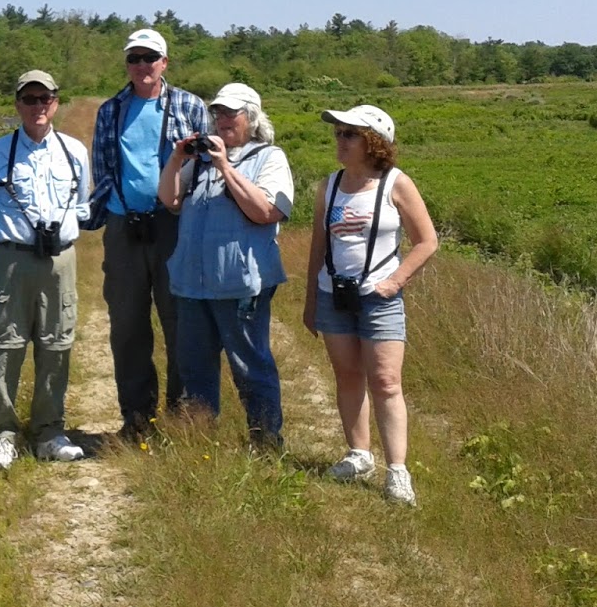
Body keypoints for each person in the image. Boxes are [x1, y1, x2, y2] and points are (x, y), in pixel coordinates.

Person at [302, 104, 438, 505]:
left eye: (349, 134)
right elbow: (318, 245)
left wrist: (395, 281)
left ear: (373, 142)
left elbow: (427, 242)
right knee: (347, 376)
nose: (339, 140)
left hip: (380, 300)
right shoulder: (329, 186)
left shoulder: (396, 183)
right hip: (334, 295)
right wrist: (311, 300)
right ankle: (359, 454)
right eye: (339, 133)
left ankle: (397, 470)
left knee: (386, 382)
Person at [83, 28, 211, 442]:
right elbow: (103, 173)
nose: (141, 66)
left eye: (149, 58)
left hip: (175, 226)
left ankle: (180, 418)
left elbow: (207, 169)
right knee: (127, 325)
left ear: (164, 63)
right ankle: (137, 421)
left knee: (180, 323)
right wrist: (91, 217)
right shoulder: (111, 111)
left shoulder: (190, 106)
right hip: (124, 227)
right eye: (134, 58)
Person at [159, 83, 294, 452]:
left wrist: (225, 166)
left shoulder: (269, 158)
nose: (221, 120)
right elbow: (170, 199)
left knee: (250, 365)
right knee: (195, 367)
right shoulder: (200, 160)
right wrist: (177, 159)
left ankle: (266, 443)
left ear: (251, 118)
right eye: (216, 113)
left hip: (240, 284)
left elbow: (266, 211)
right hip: (193, 283)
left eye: (229, 114)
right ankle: (201, 443)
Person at [0, 70, 92, 470]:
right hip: (10, 258)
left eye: (45, 99)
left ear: (56, 102)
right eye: (29, 99)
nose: (38, 106)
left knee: (57, 342)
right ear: (17, 104)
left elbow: (81, 208)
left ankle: (49, 432)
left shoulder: (75, 151)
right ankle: (2, 433)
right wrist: (11, 248)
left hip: (60, 259)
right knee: (4, 345)